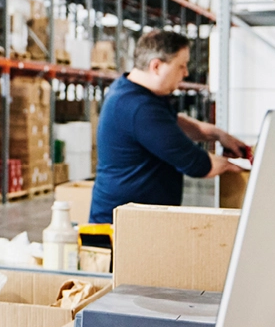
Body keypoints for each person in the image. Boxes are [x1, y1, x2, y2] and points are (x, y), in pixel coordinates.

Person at [91, 30, 249, 223]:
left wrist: (218, 135)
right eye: (181, 66)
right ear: (156, 66)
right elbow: (198, 165)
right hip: (120, 226)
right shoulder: (138, 107)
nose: (186, 73)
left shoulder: (134, 91)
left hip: (138, 221)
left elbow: (173, 122)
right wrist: (235, 167)